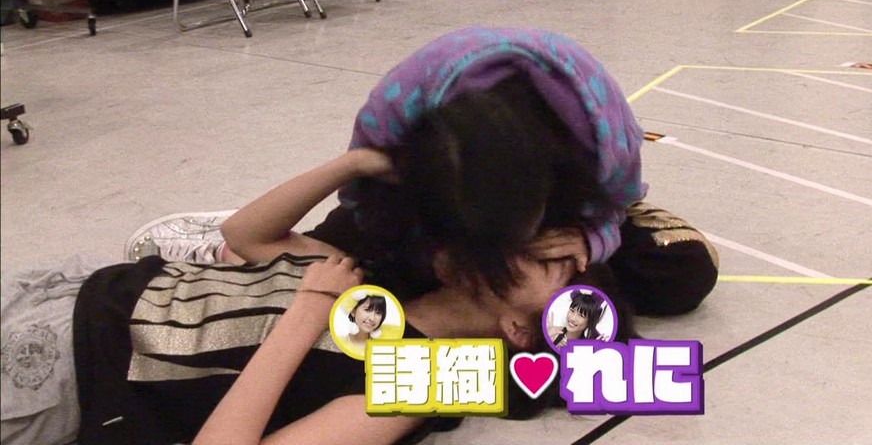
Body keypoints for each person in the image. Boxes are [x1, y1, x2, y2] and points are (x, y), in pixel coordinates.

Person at [2, 146, 627, 445]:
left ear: (520, 330)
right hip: (78, 284)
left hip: (61, 371)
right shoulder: (376, 282)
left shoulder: (419, 382)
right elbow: (245, 235)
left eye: (549, 265)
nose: (524, 247)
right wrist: (352, 165)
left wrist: (304, 317)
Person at [126, 27, 720, 317]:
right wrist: (359, 164)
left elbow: (615, 199)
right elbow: (353, 212)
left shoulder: (600, 130)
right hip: (413, 191)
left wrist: (596, 234)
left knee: (684, 273)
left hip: (562, 202)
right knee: (341, 271)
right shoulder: (397, 119)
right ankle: (210, 238)